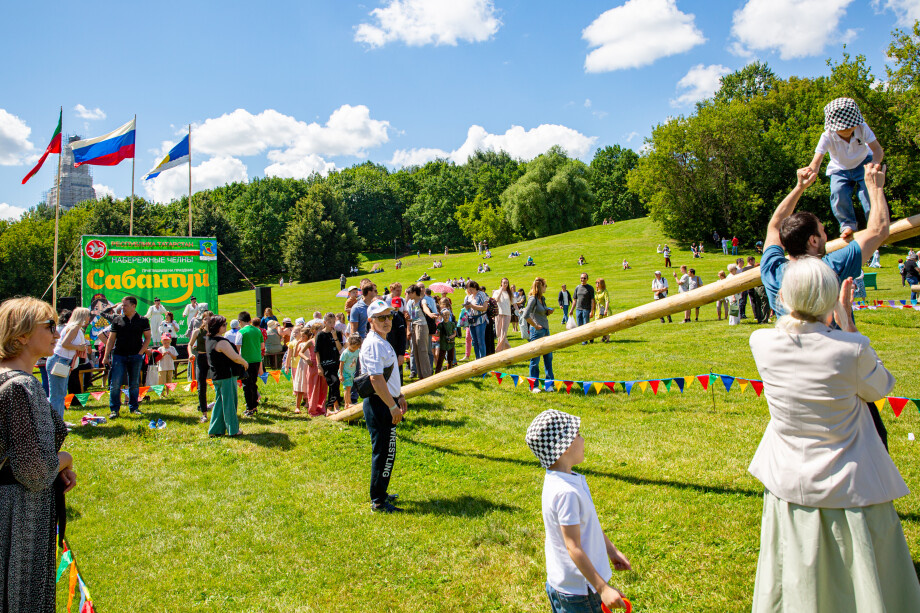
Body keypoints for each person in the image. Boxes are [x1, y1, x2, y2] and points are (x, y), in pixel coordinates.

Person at [747, 258, 920, 612]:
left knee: (795, 574)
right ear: (828, 297)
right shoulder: (850, 349)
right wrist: (848, 326)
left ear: (786, 296)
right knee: (866, 579)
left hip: (789, 479)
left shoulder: (761, 342)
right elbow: (880, 386)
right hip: (850, 481)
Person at [762, 165, 890, 446]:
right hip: (836, 371)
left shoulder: (773, 270)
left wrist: (799, 188)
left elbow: (774, 225)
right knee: (868, 443)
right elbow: (879, 229)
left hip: (792, 380)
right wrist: (874, 185)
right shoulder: (831, 266)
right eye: (822, 231)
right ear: (813, 240)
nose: (826, 234)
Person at [0, 297, 77, 613]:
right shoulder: (19, 386)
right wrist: (64, 459)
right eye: (49, 326)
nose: (57, 333)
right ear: (21, 335)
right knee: (22, 595)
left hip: (14, 504)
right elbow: (33, 472)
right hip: (19, 512)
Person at [525, 410, 631, 613]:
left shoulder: (564, 479)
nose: (582, 439)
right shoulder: (566, 492)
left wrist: (611, 550)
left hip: (568, 585)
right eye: (578, 435)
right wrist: (603, 589)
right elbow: (573, 546)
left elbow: (588, 524)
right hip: (581, 592)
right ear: (564, 447)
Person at [805, 98, 885, 238]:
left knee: (867, 192)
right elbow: (816, 161)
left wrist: (876, 163)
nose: (848, 129)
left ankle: (875, 220)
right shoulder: (827, 136)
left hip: (863, 163)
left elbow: (877, 150)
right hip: (839, 169)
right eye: (843, 128)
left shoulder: (862, 127)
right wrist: (811, 172)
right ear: (833, 126)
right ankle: (848, 224)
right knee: (838, 192)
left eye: (851, 126)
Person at [360, 300, 408, 513]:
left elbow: (389, 376)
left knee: (388, 451)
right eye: (381, 317)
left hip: (387, 399)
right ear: (371, 321)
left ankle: (381, 491)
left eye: (389, 316)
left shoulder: (382, 340)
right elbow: (375, 379)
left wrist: (400, 395)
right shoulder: (373, 344)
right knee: (383, 452)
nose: (387, 321)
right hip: (380, 403)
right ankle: (378, 501)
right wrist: (391, 406)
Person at [105, 296, 151, 419]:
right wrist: (106, 356)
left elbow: (147, 338)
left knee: (134, 384)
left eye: (125, 305)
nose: (122, 307)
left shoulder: (143, 320)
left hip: (136, 356)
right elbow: (111, 339)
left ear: (133, 306)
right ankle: (114, 410)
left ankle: (134, 408)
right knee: (115, 384)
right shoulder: (117, 320)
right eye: (122, 305)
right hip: (119, 355)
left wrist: (141, 353)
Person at [205, 316, 249, 437]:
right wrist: (244, 362)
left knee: (220, 402)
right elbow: (234, 356)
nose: (226, 326)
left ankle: (215, 430)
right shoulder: (221, 342)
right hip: (226, 376)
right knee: (230, 403)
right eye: (224, 324)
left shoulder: (209, 339)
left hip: (217, 376)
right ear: (217, 327)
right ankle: (233, 430)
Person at [47, 307, 90, 420]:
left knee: (60, 394)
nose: (89, 318)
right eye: (87, 315)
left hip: (64, 361)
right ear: (82, 316)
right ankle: (55, 423)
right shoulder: (74, 328)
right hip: (59, 361)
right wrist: (79, 347)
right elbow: (65, 343)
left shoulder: (76, 328)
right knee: (57, 395)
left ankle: (58, 422)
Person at [521, 277, 555, 393]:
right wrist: (535, 325)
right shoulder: (532, 299)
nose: (546, 287)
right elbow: (526, 315)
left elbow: (540, 312)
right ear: (540, 287)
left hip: (546, 330)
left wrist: (547, 311)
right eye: (545, 285)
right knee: (535, 360)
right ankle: (533, 386)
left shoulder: (542, 299)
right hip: (537, 332)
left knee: (548, 358)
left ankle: (549, 384)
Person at [187, 312, 213, 423]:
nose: (207, 321)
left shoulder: (215, 332)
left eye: (210, 319)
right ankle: (204, 414)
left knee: (218, 383)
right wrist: (190, 354)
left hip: (212, 359)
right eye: (205, 319)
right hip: (201, 358)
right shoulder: (198, 331)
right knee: (201, 386)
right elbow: (189, 344)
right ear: (202, 320)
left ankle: (219, 409)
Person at [316, 314, 344, 413]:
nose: (332, 324)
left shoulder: (337, 333)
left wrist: (335, 337)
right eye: (329, 322)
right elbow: (317, 352)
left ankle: (331, 407)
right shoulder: (320, 335)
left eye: (333, 322)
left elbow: (340, 349)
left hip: (337, 363)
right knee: (334, 382)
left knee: (335, 384)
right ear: (325, 322)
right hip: (326, 364)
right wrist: (319, 366)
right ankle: (332, 406)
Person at [238, 312, 264, 418]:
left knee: (246, 385)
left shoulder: (241, 332)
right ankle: (254, 406)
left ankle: (250, 408)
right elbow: (262, 346)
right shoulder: (258, 330)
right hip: (257, 359)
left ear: (240, 321)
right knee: (253, 383)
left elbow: (237, 347)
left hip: (246, 361)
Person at [406, 284, 434, 379]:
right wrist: (408, 319)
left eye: (409, 293)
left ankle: (427, 375)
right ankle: (420, 376)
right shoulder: (413, 303)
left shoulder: (423, 301)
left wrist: (430, 314)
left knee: (422, 350)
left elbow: (425, 308)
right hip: (414, 326)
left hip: (422, 327)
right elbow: (415, 318)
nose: (408, 295)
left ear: (414, 292)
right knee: (416, 351)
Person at [463, 281, 489, 360]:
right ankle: (477, 358)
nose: (470, 291)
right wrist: (467, 307)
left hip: (480, 320)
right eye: (468, 289)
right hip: (472, 321)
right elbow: (468, 308)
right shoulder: (470, 297)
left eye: (471, 289)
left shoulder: (481, 294)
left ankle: (483, 359)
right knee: (474, 342)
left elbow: (485, 308)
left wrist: (472, 306)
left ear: (475, 287)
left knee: (480, 341)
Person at [570, 273, 595, 345]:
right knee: (580, 326)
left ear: (587, 279)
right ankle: (586, 338)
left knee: (586, 325)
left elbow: (592, 300)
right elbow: (574, 300)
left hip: (586, 309)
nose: (582, 279)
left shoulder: (590, 288)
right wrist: (571, 310)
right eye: (581, 278)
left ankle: (585, 340)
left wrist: (592, 311)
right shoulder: (577, 288)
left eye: (584, 278)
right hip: (578, 309)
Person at [339, 334, 361, 410]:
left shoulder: (357, 351)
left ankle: (349, 402)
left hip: (351, 373)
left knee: (349, 388)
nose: (355, 349)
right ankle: (347, 404)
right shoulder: (345, 353)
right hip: (345, 373)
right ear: (349, 344)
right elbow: (341, 363)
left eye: (357, 347)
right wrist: (341, 375)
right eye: (354, 347)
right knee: (347, 388)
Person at [492, 278, 514, 352]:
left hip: (507, 314)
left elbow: (514, 303)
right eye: (504, 283)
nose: (505, 284)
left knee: (503, 333)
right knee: (498, 334)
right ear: (501, 283)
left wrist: (518, 311)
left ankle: (498, 350)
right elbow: (496, 300)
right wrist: (501, 290)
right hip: (498, 314)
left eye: (506, 283)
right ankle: (510, 350)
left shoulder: (509, 293)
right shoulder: (496, 292)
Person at [434, 308, 457, 374]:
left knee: (450, 359)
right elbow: (438, 334)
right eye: (445, 315)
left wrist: (451, 336)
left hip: (451, 344)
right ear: (442, 316)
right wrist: (431, 334)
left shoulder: (452, 324)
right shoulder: (440, 325)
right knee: (440, 359)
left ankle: (449, 372)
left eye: (448, 315)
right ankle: (437, 372)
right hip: (443, 344)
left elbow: (454, 333)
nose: (446, 316)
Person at [594, 278, 610, 342]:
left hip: (604, 309)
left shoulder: (605, 291)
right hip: (598, 310)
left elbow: (607, 301)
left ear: (602, 284)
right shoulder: (596, 292)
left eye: (598, 283)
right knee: (598, 324)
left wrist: (606, 310)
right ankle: (603, 336)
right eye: (596, 283)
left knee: (606, 324)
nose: (597, 284)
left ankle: (607, 338)